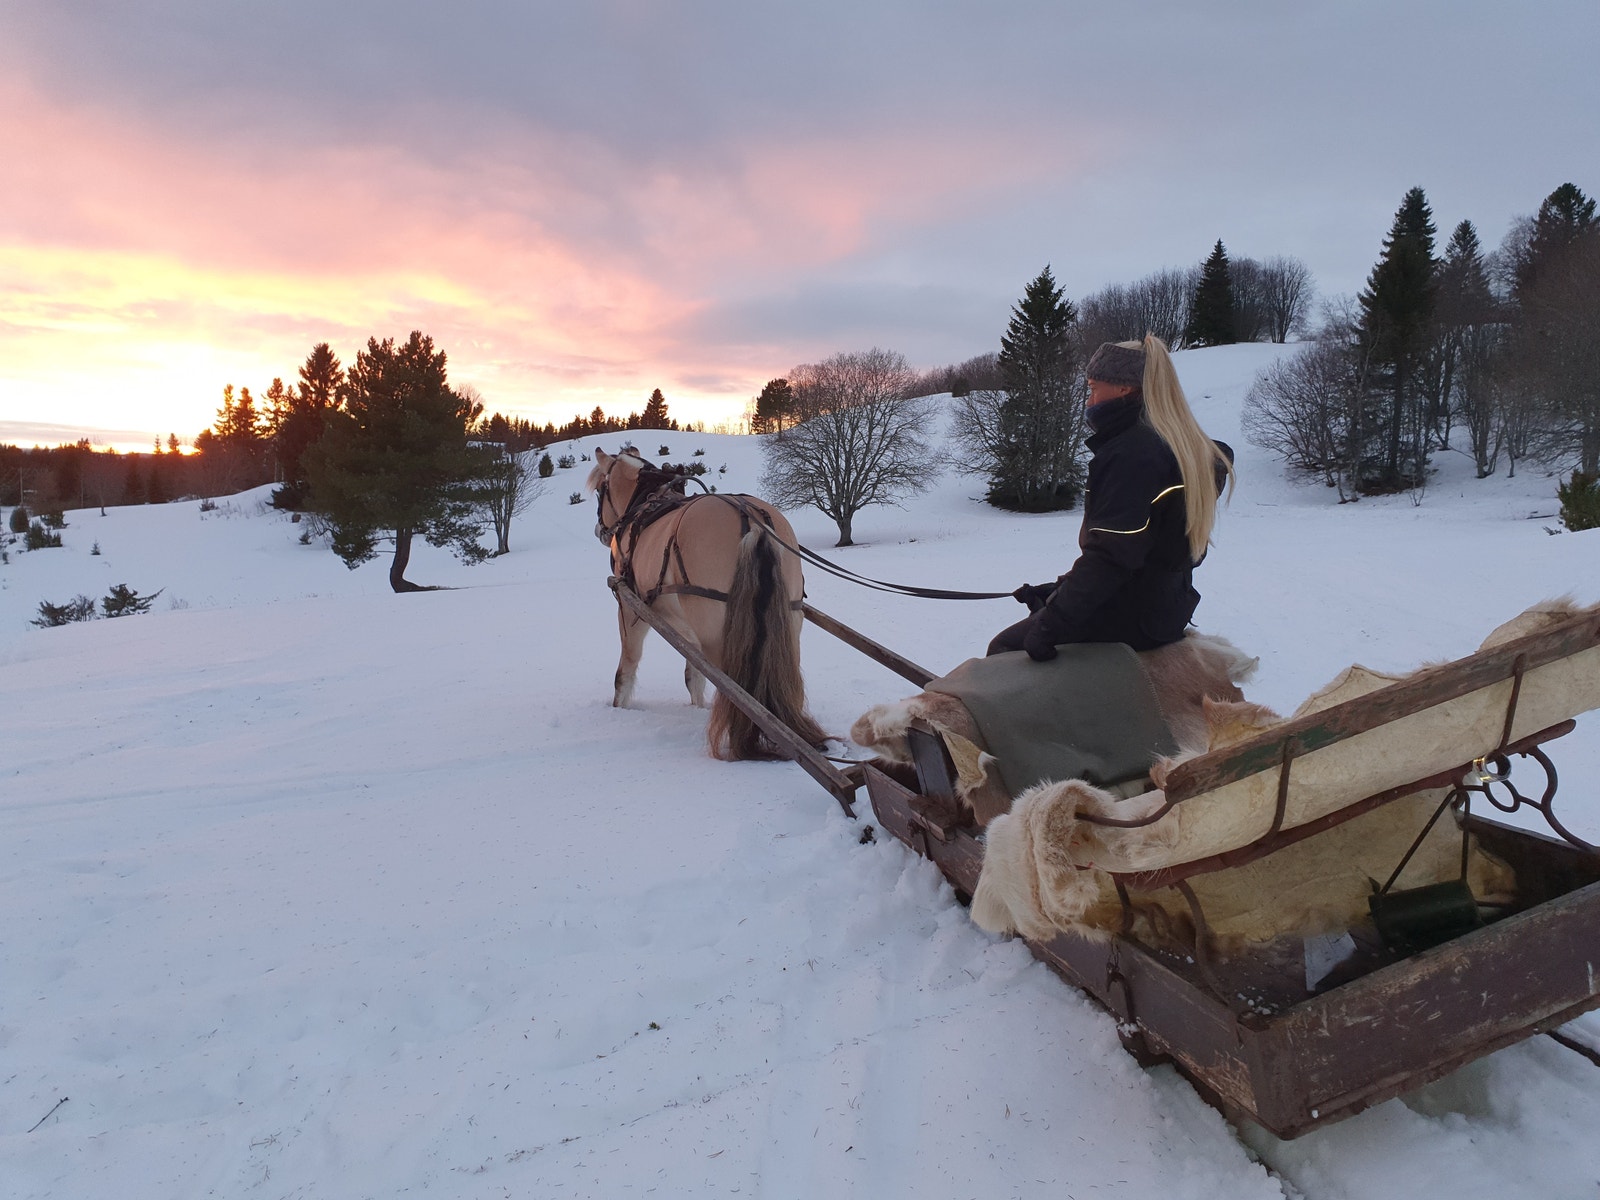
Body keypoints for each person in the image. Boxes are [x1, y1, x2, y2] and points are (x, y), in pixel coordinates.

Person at [987, 334, 1234, 662]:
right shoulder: (1180, 447)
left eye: (1093, 388)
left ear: (1123, 388)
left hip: (1131, 617)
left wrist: (1051, 623)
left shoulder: (1131, 455)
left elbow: (1111, 560)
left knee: (1003, 651)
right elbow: (1143, 551)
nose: (1089, 401)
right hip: (1166, 608)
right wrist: (1058, 591)